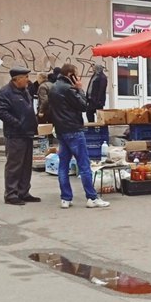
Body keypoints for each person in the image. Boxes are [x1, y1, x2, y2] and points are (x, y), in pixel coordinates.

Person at [48, 63, 110, 208]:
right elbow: (84, 106)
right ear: (71, 75)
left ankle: (65, 198)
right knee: (84, 164)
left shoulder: (54, 88)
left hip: (61, 130)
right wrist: (80, 89)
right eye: (76, 73)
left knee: (63, 165)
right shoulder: (69, 89)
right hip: (74, 129)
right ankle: (92, 197)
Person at [0, 66, 40, 206]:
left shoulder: (25, 90)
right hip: (15, 134)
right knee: (14, 165)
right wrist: (17, 123)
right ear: (17, 79)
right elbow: (0, 112)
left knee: (26, 165)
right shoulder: (5, 92)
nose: (28, 80)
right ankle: (11, 194)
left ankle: (23, 192)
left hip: (27, 133)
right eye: (25, 77)